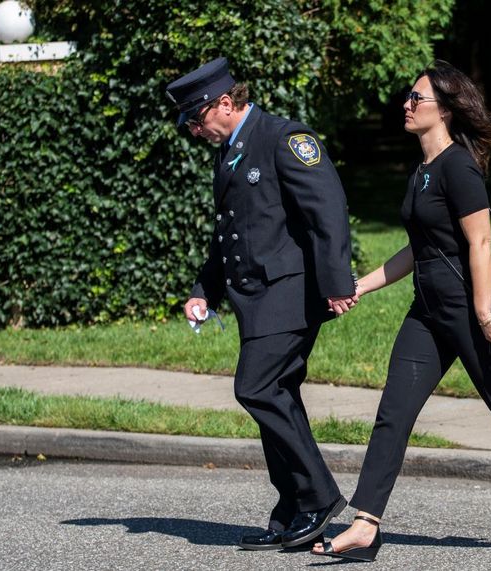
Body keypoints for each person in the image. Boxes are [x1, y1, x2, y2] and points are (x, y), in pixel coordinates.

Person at [312, 61, 491, 562]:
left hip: (469, 308)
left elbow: (480, 242)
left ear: (446, 110)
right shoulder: (423, 170)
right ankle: (366, 523)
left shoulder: (458, 165)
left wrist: (483, 312)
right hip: (428, 310)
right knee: (393, 411)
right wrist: (360, 287)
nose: (407, 105)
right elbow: (418, 248)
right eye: (409, 98)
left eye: (417, 100)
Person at [165, 57, 358, 549]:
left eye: (196, 118)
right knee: (277, 394)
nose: (193, 130)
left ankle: (317, 496)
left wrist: (338, 282)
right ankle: (292, 504)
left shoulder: (283, 138)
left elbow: (327, 209)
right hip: (257, 299)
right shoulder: (230, 150)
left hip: (289, 294)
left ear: (226, 103)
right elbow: (229, 233)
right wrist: (202, 290)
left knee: (256, 388)